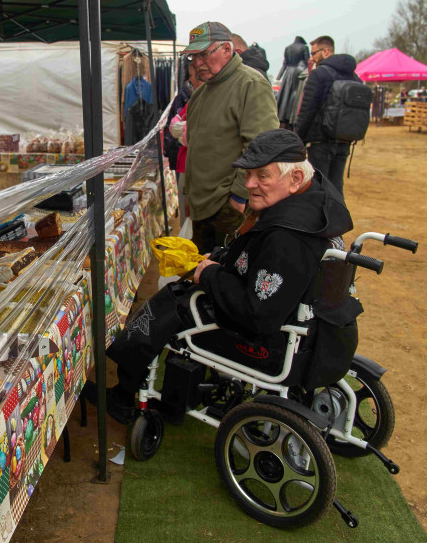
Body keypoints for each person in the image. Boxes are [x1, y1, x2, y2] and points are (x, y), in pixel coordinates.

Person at [86, 130, 354, 423]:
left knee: (175, 300)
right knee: (185, 291)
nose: (250, 184)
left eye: (262, 176)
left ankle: (124, 395)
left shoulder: (288, 240)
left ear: (295, 179)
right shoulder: (315, 197)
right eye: (249, 174)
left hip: (269, 341)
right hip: (310, 323)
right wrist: (221, 259)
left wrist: (211, 274)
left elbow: (258, 314)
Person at [180, 21, 279, 253]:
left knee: (227, 278)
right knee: (203, 277)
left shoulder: (250, 84)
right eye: (193, 57)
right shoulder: (202, 92)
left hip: (229, 207)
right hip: (203, 206)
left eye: (204, 54)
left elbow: (262, 146)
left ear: (227, 49)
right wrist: (189, 193)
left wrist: (239, 196)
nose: (197, 63)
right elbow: (196, 147)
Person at [294, 35, 361, 196]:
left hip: (320, 141)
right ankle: (338, 220)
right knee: (337, 187)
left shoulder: (319, 75)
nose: (312, 58)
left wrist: (299, 139)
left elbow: (307, 110)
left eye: (314, 53)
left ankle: (321, 221)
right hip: (344, 140)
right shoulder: (354, 77)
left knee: (319, 187)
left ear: (325, 51)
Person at [166, 59, 203, 224]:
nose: (192, 81)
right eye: (191, 76)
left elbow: (189, 134)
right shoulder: (194, 99)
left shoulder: (202, 99)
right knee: (186, 216)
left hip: (196, 168)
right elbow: (174, 125)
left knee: (191, 219)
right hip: (185, 163)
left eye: (197, 76)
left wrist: (184, 131)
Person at [276, 36, 310, 128]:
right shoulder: (304, 48)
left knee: (285, 96)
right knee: (295, 96)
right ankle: (291, 117)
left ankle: (282, 115)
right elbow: (308, 62)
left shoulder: (288, 48)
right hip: (298, 74)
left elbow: (284, 64)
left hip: (288, 73)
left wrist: (278, 77)